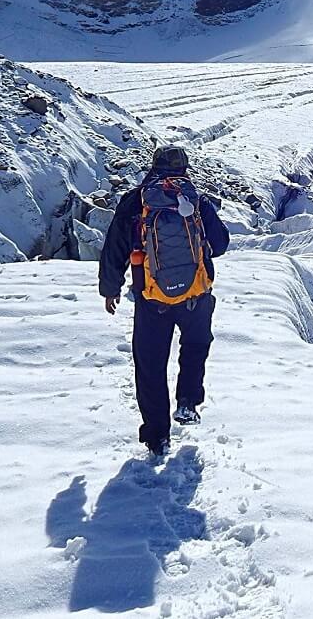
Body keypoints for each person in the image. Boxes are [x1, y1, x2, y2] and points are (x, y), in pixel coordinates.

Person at [99, 146, 230, 456]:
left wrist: (110, 288)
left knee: (151, 365)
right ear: (184, 168)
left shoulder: (136, 200)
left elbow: (115, 246)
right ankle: (187, 401)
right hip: (195, 296)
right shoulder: (195, 200)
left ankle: (157, 437)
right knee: (196, 345)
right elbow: (221, 243)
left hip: (151, 298)